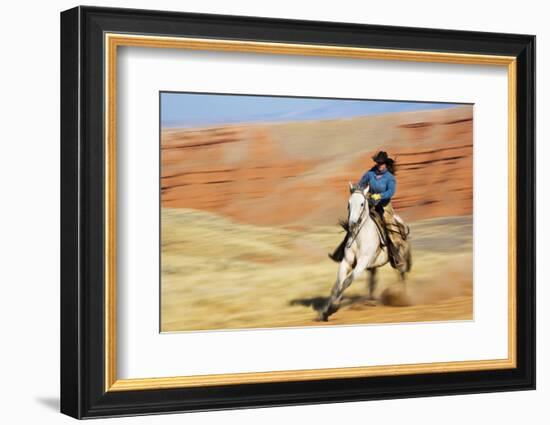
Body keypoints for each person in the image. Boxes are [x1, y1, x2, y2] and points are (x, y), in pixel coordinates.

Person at [328, 151, 405, 268]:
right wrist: (358, 191)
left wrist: (380, 196)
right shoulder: (370, 173)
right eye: (378, 163)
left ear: (385, 163)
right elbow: (361, 184)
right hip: (370, 203)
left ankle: (396, 255)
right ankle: (341, 252)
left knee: (388, 226)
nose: (380, 165)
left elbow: (391, 192)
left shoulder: (390, 178)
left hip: (384, 206)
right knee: (354, 223)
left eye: (382, 163)